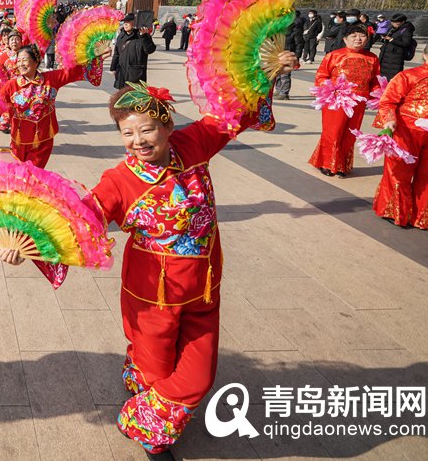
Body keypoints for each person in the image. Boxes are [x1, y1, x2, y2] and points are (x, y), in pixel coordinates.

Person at [79, 62, 295, 457]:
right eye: (127, 133)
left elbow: (235, 113)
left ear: (168, 127)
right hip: (153, 297)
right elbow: (80, 218)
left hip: (204, 287)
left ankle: (143, 420)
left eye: (146, 130)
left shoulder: (193, 144)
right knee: (156, 371)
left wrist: (267, 74)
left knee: (198, 377)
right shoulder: (119, 181)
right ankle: (146, 394)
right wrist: (31, 241)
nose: (138, 141)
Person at [372, 37, 428, 230]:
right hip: (406, 131)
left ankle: (421, 216)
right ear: (425, 56)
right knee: (399, 172)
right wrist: (389, 120)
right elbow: (388, 102)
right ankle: (394, 211)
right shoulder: (408, 76)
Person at [0, 46, 97, 168]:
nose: (20, 64)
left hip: (42, 140)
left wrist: (94, 57)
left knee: (33, 175)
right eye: (18, 61)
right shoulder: (11, 85)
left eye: (24, 60)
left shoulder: (51, 79)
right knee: (17, 175)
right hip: (18, 141)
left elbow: (73, 71)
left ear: (36, 62)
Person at [308, 24, 381, 177]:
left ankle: (342, 164)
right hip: (337, 100)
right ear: (345, 39)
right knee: (333, 132)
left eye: (362, 36)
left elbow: (374, 80)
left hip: (359, 102)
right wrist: (332, 89)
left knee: (350, 134)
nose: (358, 39)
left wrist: (378, 94)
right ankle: (327, 164)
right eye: (354, 36)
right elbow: (321, 76)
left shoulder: (372, 58)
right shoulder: (334, 55)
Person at [111, 14, 157, 89]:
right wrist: (113, 68)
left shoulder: (142, 36)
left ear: (135, 23)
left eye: (128, 22)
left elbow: (150, 50)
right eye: (124, 22)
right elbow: (117, 53)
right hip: (122, 71)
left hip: (135, 74)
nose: (125, 24)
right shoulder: (121, 35)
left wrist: (144, 36)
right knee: (122, 96)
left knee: (134, 96)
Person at [378, 13, 415, 80]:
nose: (394, 25)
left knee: (392, 77)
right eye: (392, 23)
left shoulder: (406, 30)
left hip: (395, 58)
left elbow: (406, 43)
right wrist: (384, 38)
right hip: (385, 56)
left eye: (396, 23)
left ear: (402, 22)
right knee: (382, 77)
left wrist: (392, 40)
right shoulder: (393, 28)